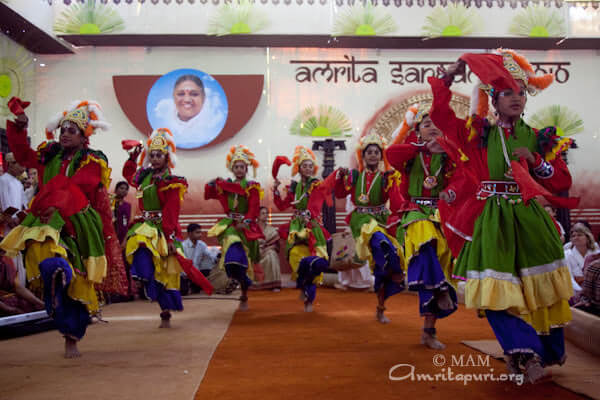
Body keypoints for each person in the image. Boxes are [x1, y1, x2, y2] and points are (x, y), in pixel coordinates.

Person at [431, 49, 576, 383]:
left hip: (530, 222)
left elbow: (561, 180)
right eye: (507, 92)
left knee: (539, 288)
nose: (516, 98)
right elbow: (440, 115)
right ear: (493, 98)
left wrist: (536, 162)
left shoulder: (537, 137)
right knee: (496, 292)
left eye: (521, 92)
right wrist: (449, 77)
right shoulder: (477, 134)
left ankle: (544, 349)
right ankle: (523, 353)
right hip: (493, 222)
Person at [1, 97, 127, 358]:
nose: (66, 134)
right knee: (43, 255)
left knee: (77, 282)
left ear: (84, 137)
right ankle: (58, 281)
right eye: (63, 129)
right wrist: (21, 126)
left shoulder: (92, 160)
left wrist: (53, 205)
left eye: (72, 130)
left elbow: (81, 186)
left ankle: (72, 335)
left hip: (76, 220)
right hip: (46, 217)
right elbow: (23, 155)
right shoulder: (49, 155)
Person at [386, 103, 458, 349]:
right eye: (427, 125)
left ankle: (429, 331)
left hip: (442, 213)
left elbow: (462, 179)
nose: (433, 128)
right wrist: (421, 145)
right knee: (425, 241)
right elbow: (392, 154)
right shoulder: (410, 154)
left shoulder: (450, 156)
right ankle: (442, 290)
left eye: (437, 125)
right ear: (417, 131)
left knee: (439, 261)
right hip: (415, 211)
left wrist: (450, 191)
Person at [123, 128, 212, 327]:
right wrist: (132, 159)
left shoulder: (172, 182)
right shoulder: (144, 176)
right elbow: (129, 176)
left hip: (163, 229)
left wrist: (170, 238)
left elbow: (172, 212)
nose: (154, 159)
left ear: (167, 157)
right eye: (151, 155)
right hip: (144, 227)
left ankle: (165, 312)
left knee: (165, 272)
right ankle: (147, 287)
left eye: (159, 155)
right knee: (144, 257)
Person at [335, 133, 406, 324]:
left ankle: (381, 305)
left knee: (383, 266)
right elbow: (340, 193)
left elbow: (398, 202)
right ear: (363, 156)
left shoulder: (386, 177)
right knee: (377, 237)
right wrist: (340, 178)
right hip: (361, 220)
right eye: (369, 152)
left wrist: (396, 185)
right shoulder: (355, 176)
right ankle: (396, 271)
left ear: (381, 156)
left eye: (376, 152)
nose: (373, 155)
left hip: (381, 219)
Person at [205, 145, 264, 311]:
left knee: (243, 262)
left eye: (242, 167)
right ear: (232, 169)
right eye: (236, 167)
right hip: (230, 225)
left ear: (247, 169)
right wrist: (211, 184)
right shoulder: (226, 186)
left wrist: (245, 221)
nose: (239, 170)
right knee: (232, 249)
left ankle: (244, 289)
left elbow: (254, 207)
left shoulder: (252, 186)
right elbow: (210, 194)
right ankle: (239, 279)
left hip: (246, 226)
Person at [273, 146, 332, 311]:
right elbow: (282, 205)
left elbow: (318, 204)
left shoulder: (316, 185)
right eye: (304, 165)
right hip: (296, 226)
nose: (308, 168)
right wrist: (276, 190)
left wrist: (310, 216)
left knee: (313, 258)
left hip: (312, 226)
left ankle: (309, 298)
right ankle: (303, 284)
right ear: (298, 168)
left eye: (310, 166)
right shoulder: (293, 187)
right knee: (294, 256)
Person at [153, 74, 225, 149]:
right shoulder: (163, 121)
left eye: (194, 94)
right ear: (173, 96)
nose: (187, 99)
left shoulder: (214, 124)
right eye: (181, 94)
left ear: (203, 97)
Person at [0, 152, 27, 286]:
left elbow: (23, 205)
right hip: (7, 226)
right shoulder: (3, 180)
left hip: (17, 225)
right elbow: (5, 204)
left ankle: (20, 288)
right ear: (10, 164)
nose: (23, 167)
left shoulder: (19, 183)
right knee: (9, 256)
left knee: (18, 257)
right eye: (20, 164)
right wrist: (9, 218)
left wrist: (22, 218)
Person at [564, 222, 597, 298]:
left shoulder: (596, 252)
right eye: (573, 236)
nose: (576, 237)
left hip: (595, 289)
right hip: (576, 291)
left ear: (587, 237)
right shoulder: (567, 254)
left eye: (579, 235)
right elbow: (569, 277)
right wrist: (581, 291)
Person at [182, 223, 216, 292]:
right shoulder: (183, 246)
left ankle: (192, 285)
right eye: (197, 232)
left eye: (200, 232)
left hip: (196, 273)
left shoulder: (202, 244)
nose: (200, 235)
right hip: (185, 274)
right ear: (190, 233)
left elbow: (211, 255)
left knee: (197, 289)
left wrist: (218, 257)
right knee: (183, 291)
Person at [255, 207, 282, 292]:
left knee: (271, 254)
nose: (265, 215)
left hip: (267, 250)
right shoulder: (252, 228)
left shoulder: (271, 229)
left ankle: (274, 284)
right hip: (254, 251)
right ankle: (254, 283)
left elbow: (276, 245)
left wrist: (268, 248)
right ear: (258, 215)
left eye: (266, 213)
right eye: (263, 213)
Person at [111, 181, 132, 247]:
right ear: (116, 190)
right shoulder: (110, 202)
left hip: (122, 236)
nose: (124, 190)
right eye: (121, 188)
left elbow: (127, 223)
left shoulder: (128, 205)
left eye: (126, 189)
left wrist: (125, 239)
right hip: (111, 234)